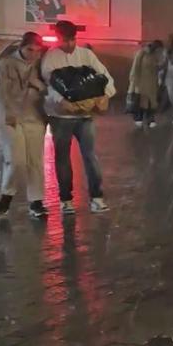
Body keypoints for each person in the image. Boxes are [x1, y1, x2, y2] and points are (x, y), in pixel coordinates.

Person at [40, 20, 115, 215]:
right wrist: (60, 101)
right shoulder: (50, 58)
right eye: (65, 40)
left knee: (90, 155)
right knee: (63, 157)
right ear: (58, 39)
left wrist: (106, 95)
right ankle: (66, 199)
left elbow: (104, 76)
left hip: (85, 115)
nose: (69, 44)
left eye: (72, 40)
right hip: (60, 117)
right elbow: (48, 84)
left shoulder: (86, 55)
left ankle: (96, 196)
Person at [0, 32, 49, 218]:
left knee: (36, 161)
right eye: (30, 49)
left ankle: (36, 201)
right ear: (21, 47)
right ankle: (7, 194)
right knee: (16, 160)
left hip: (35, 116)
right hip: (12, 117)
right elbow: (2, 94)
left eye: (37, 50)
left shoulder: (40, 65)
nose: (33, 54)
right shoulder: (5, 65)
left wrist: (40, 87)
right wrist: (8, 115)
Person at [128, 40, 164, 129]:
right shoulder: (141, 53)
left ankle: (150, 119)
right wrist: (133, 81)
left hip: (152, 82)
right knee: (141, 101)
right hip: (141, 82)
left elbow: (159, 66)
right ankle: (139, 118)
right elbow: (135, 67)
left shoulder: (156, 56)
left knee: (152, 102)